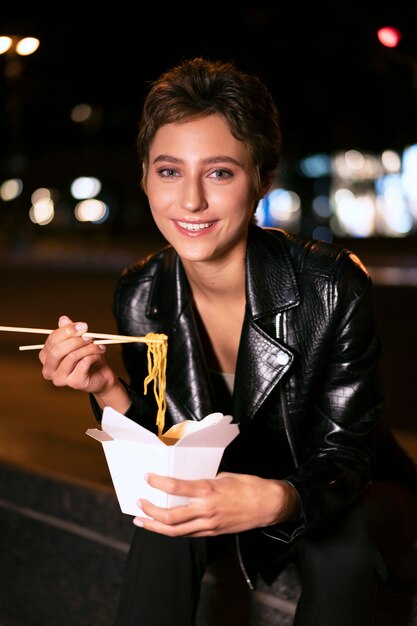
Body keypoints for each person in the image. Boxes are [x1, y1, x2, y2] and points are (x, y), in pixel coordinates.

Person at [39, 57, 417, 626]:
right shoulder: (141, 292)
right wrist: (108, 388)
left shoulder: (330, 284)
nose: (190, 201)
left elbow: (348, 458)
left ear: (262, 178)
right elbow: (169, 443)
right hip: (224, 485)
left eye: (219, 172)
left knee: (338, 547)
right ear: (143, 176)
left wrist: (276, 498)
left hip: (348, 494)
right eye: (169, 171)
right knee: (163, 518)